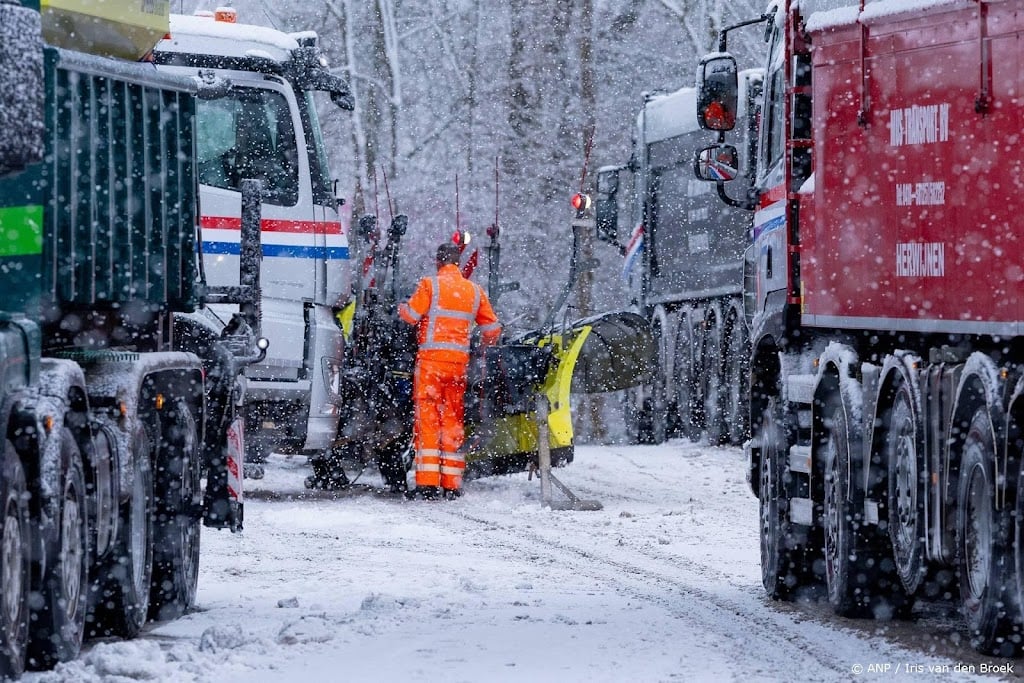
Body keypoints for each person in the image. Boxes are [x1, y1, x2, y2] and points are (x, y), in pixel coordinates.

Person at [399, 242, 501, 500]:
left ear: (438, 262)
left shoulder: (429, 285)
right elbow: (492, 330)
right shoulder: (474, 291)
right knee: (452, 421)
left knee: (428, 422)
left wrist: (401, 307)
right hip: (458, 367)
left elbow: (410, 316)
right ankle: (452, 484)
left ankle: (428, 484)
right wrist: (477, 343)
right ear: (457, 262)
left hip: (431, 365)